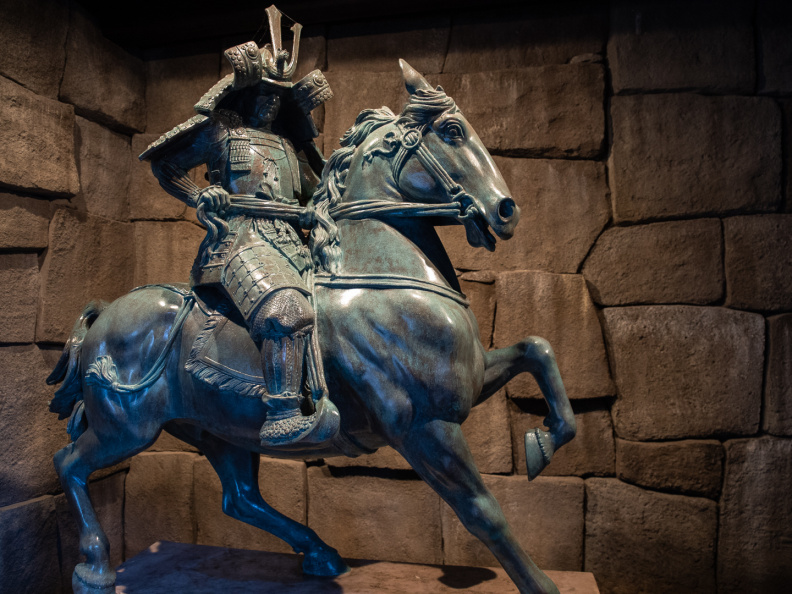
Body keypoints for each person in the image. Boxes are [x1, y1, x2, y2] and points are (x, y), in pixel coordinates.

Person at [139, 28, 335, 447]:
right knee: (286, 310)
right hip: (238, 241)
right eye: (263, 93)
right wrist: (199, 194)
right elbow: (166, 164)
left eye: (277, 97)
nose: (270, 102)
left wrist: (319, 208)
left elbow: (317, 191)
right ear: (244, 94)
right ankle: (283, 412)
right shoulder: (222, 131)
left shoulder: (288, 145)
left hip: (294, 242)